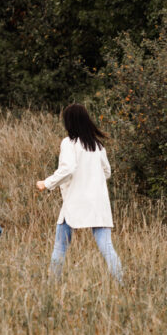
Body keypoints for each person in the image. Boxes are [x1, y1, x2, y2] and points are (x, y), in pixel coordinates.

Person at [36, 103, 122, 281]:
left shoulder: (69, 143)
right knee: (106, 246)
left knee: (60, 246)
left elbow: (68, 169)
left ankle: (53, 283)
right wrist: (92, 179)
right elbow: (107, 172)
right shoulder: (97, 146)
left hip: (75, 202)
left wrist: (46, 183)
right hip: (98, 203)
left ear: (70, 122)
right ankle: (120, 282)